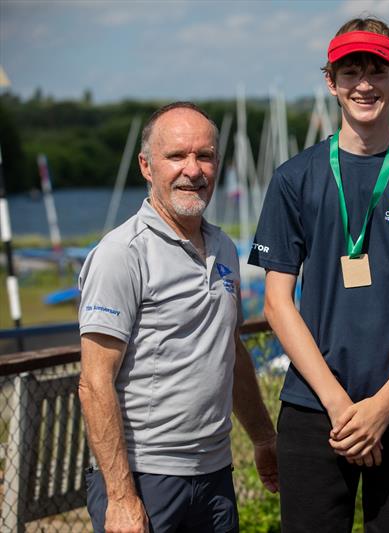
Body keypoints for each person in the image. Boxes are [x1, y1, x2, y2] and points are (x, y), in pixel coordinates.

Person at [248, 17, 389, 533]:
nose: (365, 85)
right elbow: (276, 302)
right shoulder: (294, 178)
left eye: (378, 71)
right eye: (351, 71)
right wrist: (339, 404)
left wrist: (387, 401)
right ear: (331, 82)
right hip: (314, 407)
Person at [78, 102, 278, 533]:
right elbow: (94, 383)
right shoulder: (122, 254)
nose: (194, 169)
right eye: (177, 156)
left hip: (215, 473)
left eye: (204, 156)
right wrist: (120, 497)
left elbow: (230, 351)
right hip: (147, 477)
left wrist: (263, 437)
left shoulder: (223, 247)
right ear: (147, 166)